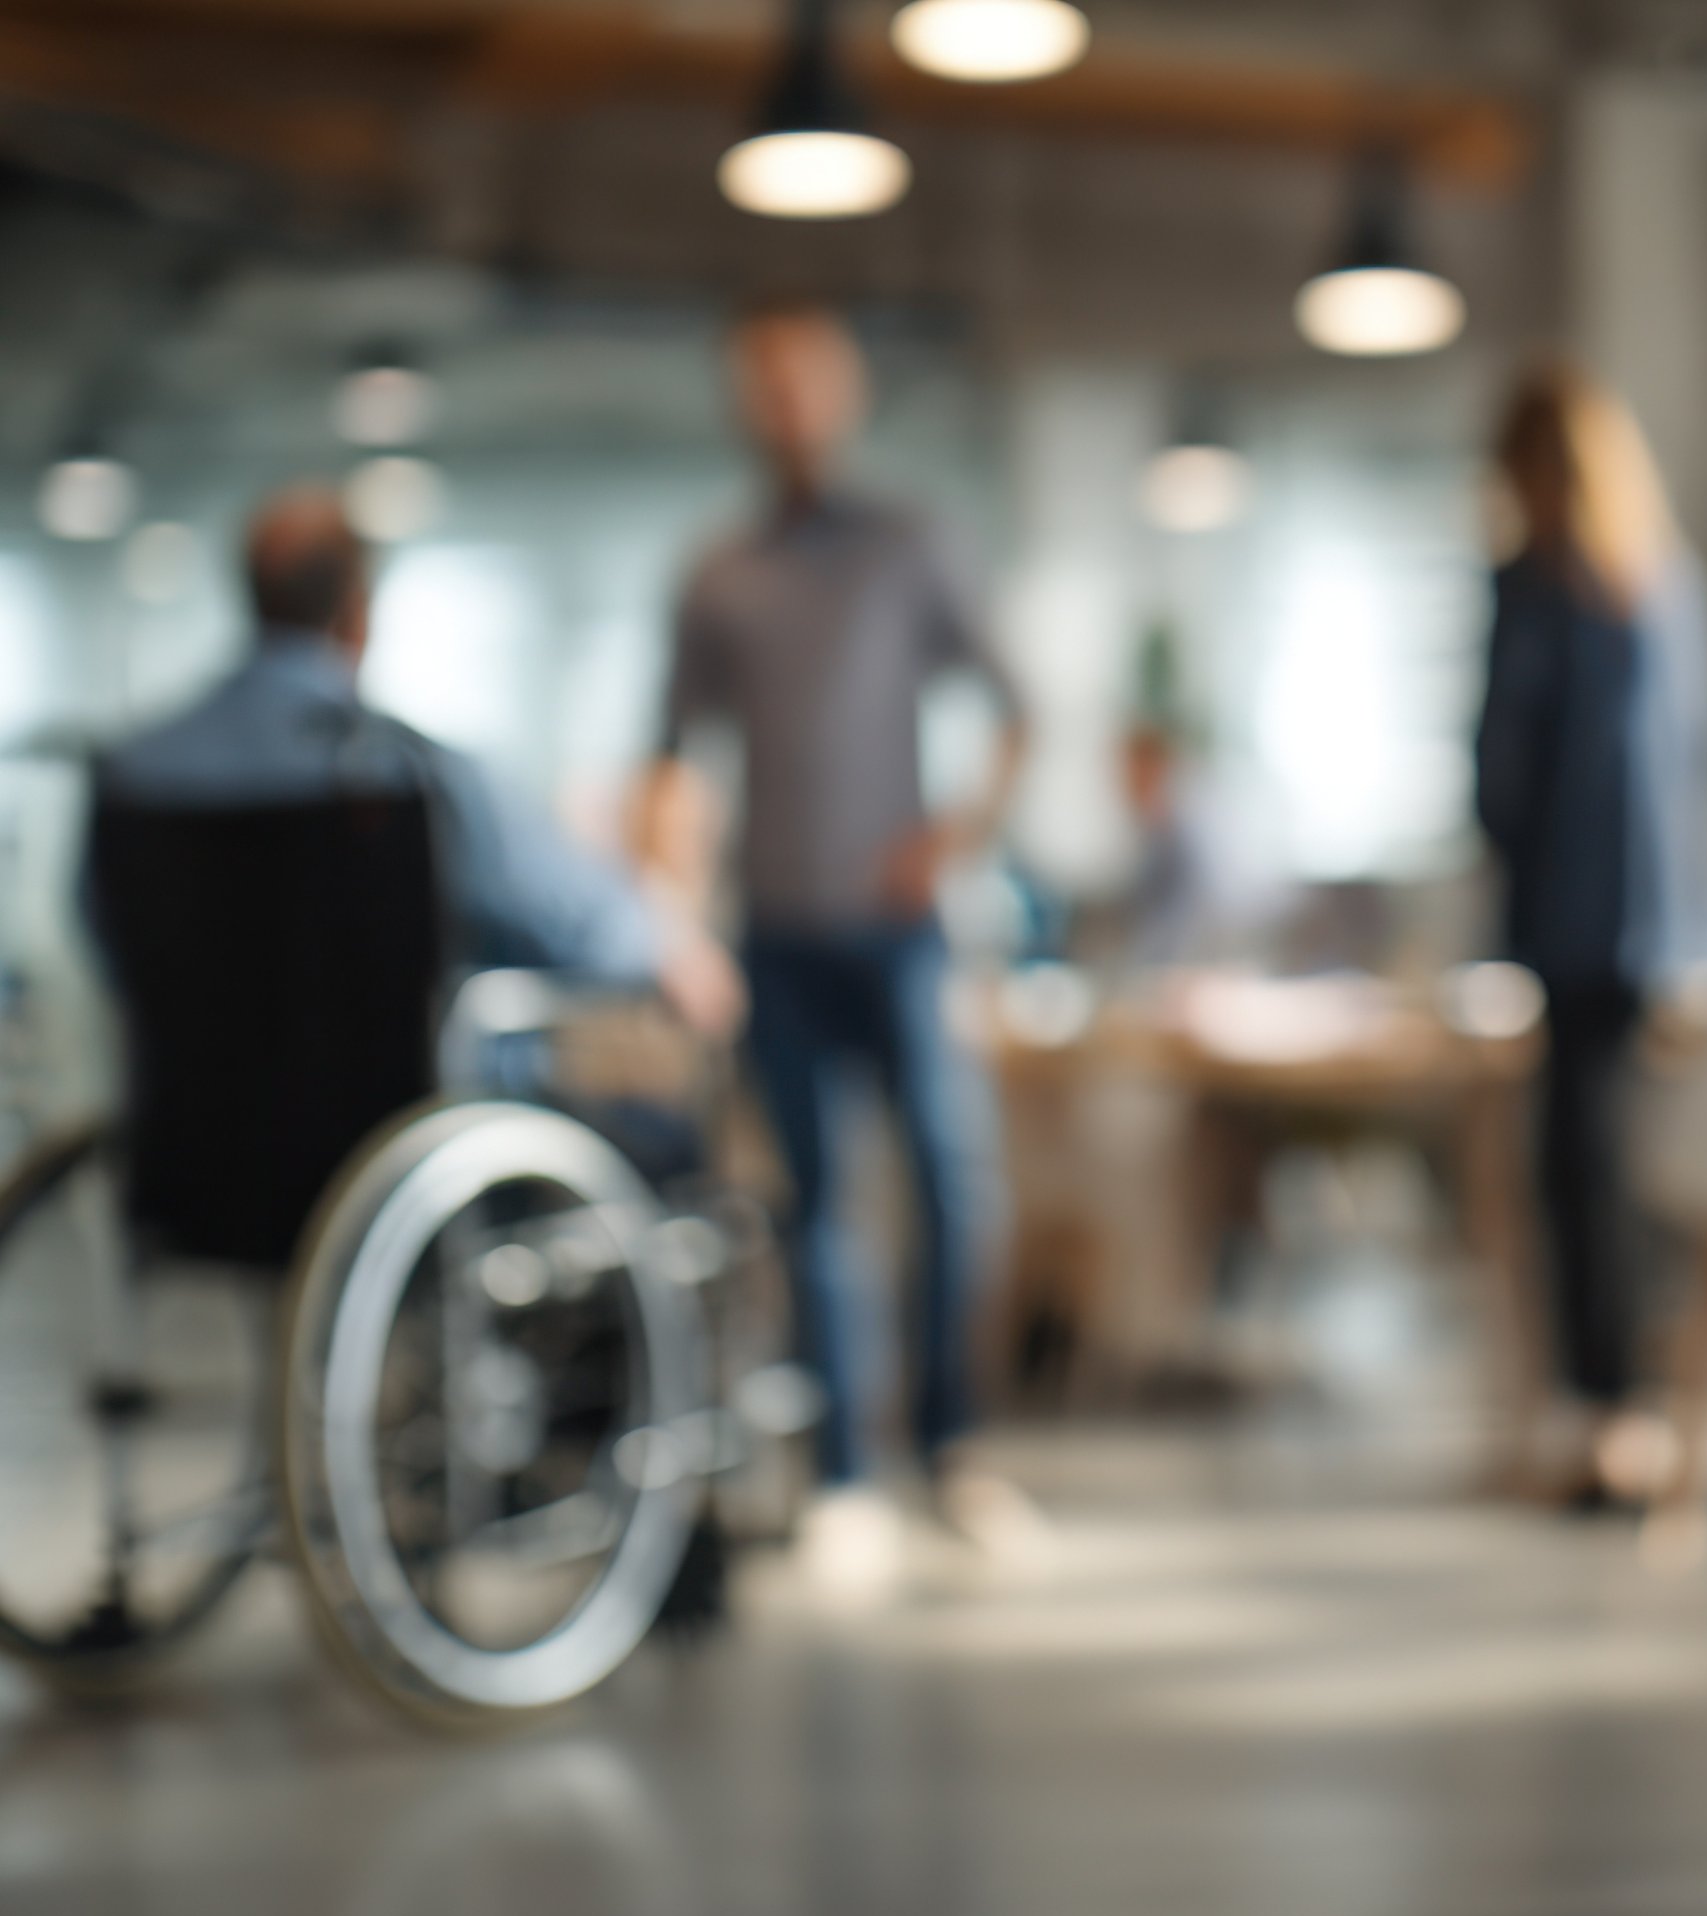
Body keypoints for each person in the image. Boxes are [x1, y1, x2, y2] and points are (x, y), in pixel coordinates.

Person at [646, 303, 1031, 1578]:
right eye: (766, 388)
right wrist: (671, 904)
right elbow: (672, 762)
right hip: (777, 934)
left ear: (847, 396)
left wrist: (953, 837)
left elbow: (1016, 708)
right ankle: (847, 1480)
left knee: (947, 1180)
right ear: (742, 407)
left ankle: (954, 1448)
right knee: (817, 1208)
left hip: (899, 930)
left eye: (808, 386)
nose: (789, 410)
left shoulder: (910, 545)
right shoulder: (717, 572)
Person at [92, 486, 744, 1091]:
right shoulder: (411, 778)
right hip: (390, 1137)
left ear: (251, 598)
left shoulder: (132, 776)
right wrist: (667, 946)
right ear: (358, 616)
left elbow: (108, 936)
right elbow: (564, 913)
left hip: (196, 1141)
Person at [1474, 361, 1707, 1510]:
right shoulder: (1668, 588)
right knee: (1622, 1170)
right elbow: (1701, 755)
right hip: (1661, 929)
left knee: (1573, 1175)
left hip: (1573, 929)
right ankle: (1623, 1411)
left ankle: (1601, 1415)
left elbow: (1498, 777)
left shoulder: (1533, 591)